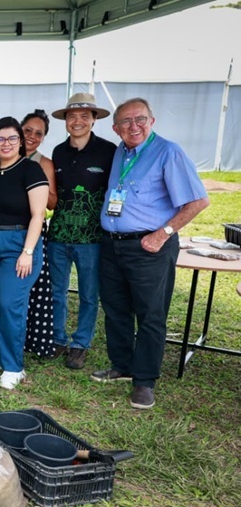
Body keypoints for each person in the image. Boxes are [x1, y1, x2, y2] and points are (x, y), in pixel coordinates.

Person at [92, 97, 209, 410]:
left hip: (149, 246)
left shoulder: (168, 152)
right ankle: (123, 365)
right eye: (126, 122)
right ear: (116, 128)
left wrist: (163, 234)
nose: (134, 127)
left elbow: (197, 201)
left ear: (152, 121)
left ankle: (144, 380)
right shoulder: (121, 152)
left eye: (140, 119)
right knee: (115, 308)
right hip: (113, 243)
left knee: (150, 313)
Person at [0, 117, 49, 390]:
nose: (6, 144)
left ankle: (14, 366)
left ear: (21, 141)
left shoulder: (31, 170)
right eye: (0, 139)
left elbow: (39, 214)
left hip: (19, 243)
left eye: (12, 138)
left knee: (9, 304)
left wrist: (28, 252)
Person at [48, 94, 117, 370]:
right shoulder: (58, 152)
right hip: (59, 234)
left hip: (92, 238)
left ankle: (80, 344)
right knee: (56, 291)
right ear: (65, 121)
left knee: (89, 294)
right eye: (72, 116)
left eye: (84, 116)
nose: (78, 122)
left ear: (94, 119)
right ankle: (57, 338)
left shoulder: (109, 151)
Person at [21, 109, 58, 209]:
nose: (32, 136)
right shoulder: (5, 154)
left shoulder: (44, 163)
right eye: (28, 130)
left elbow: (52, 204)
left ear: (43, 138)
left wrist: (35, 181)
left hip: (29, 222)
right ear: (19, 130)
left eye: (38, 134)